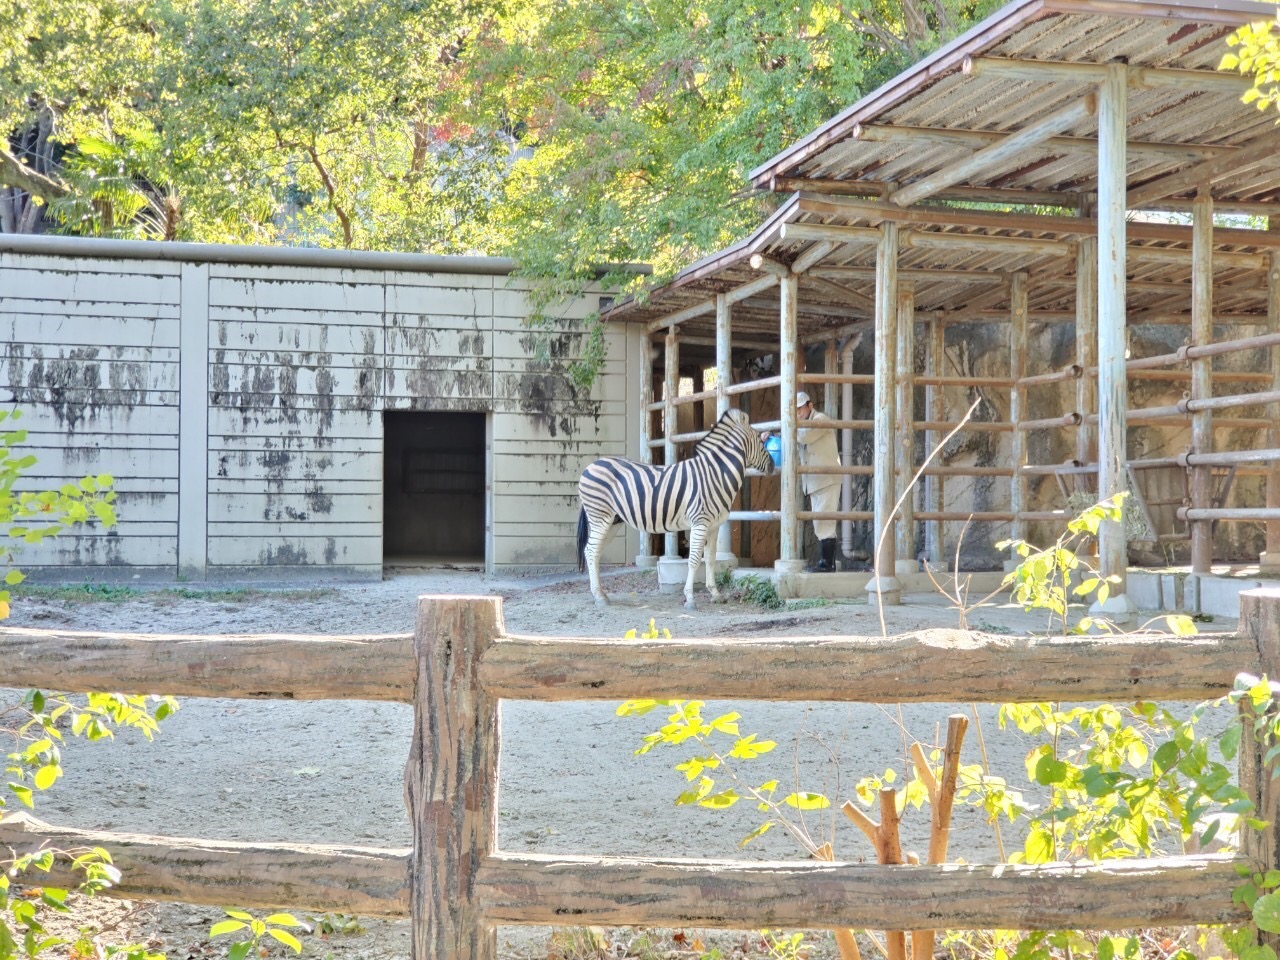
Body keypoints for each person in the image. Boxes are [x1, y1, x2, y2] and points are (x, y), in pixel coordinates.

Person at [763, 392, 843, 572]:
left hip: (827, 478)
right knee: (819, 521)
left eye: (800, 408)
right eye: (795, 410)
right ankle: (826, 562)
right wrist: (775, 433)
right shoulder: (799, 426)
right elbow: (795, 435)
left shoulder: (820, 419)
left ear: (810, 405)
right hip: (815, 480)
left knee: (824, 520)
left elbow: (802, 436)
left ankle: (827, 564)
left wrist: (783, 427)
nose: (798, 412)